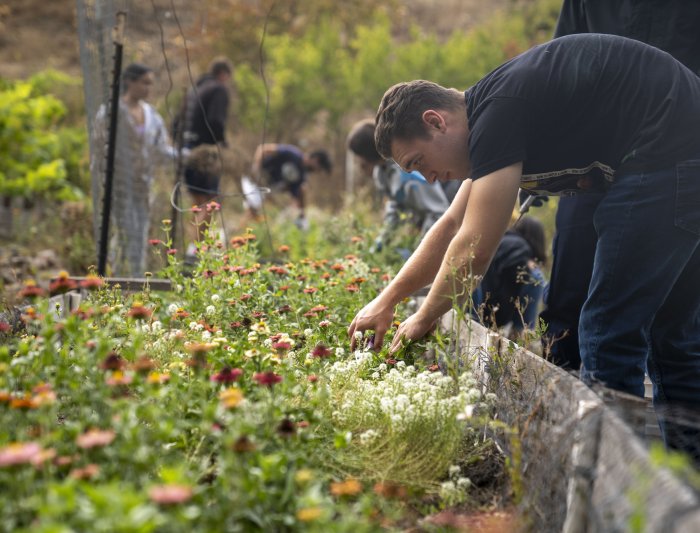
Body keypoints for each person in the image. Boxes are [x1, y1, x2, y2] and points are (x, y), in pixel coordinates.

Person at [347, 34, 700, 461]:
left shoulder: (497, 113)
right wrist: (387, 301)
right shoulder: (493, 112)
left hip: (667, 156)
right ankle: (685, 488)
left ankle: (613, 493)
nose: (429, 179)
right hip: (681, 153)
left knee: (607, 334)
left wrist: (423, 318)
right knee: (672, 336)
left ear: (436, 121)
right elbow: (451, 225)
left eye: (418, 163)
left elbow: (474, 249)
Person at [534, 0, 700, 371]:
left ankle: (656, 425)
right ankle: (557, 402)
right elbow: (560, 66)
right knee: (569, 293)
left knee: (676, 329)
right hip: (592, 163)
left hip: (675, 161)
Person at [92, 63, 177, 276]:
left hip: (142, 183)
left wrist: (186, 156)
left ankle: (136, 280)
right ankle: (117, 279)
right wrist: (102, 176)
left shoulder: (151, 116)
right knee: (124, 231)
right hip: (119, 182)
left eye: (151, 83)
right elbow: (99, 145)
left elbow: (160, 150)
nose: (148, 88)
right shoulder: (112, 112)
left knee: (140, 232)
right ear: (130, 81)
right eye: (144, 82)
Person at [347, 118, 458, 254]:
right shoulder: (382, 173)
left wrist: (422, 250)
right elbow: (395, 206)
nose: (359, 162)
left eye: (359, 156)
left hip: (454, 210)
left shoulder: (408, 173)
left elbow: (438, 212)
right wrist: (383, 240)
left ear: (367, 154)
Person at [177, 57, 232, 246]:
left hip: (187, 151)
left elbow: (177, 122)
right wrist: (221, 143)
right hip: (204, 155)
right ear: (224, 75)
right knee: (211, 202)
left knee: (198, 203)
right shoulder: (218, 89)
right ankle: (196, 249)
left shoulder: (194, 91)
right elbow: (216, 120)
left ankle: (193, 245)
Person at [474, 215, 547, 334]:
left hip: (478, 305)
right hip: (490, 310)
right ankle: (522, 332)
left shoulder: (500, 239)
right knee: (536, 277)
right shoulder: (521, 247)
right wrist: (527, 266)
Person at [242, 143, 332, 230]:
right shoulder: (292, 154)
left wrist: (299, 215)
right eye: (319, 168)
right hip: (252, 181)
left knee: (255, 215)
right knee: (252, 210)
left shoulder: (301, 177)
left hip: (264, 190)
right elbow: (262, 149)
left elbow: (295, 196)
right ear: (316, 160)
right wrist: (256, 170)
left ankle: (242, 235)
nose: (316, 171)